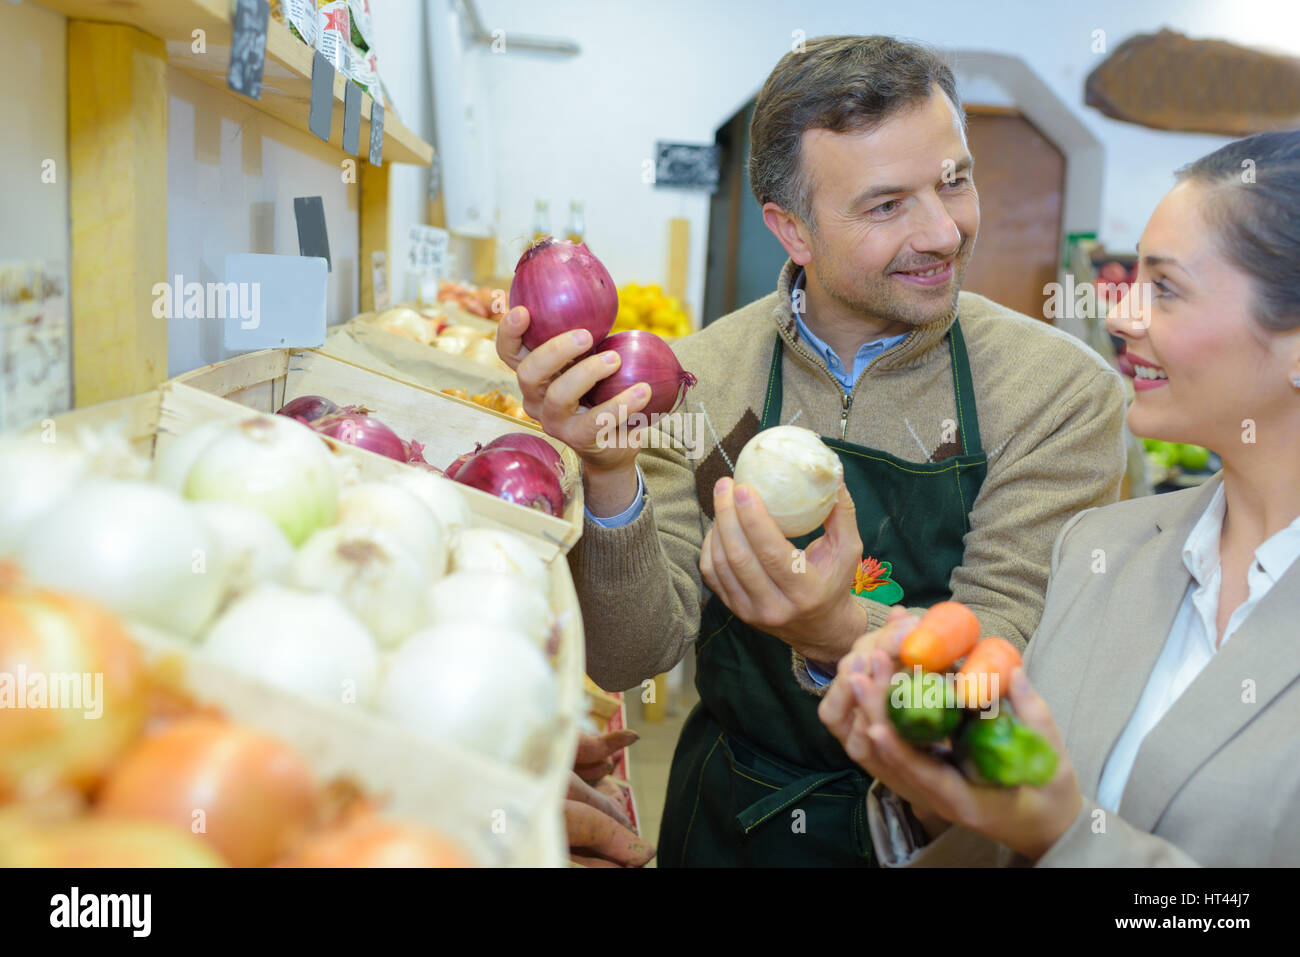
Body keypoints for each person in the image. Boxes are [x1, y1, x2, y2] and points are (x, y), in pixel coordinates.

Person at [497, 35, 1127, 867]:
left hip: (940, 834)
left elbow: (1003, 662)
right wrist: (608, 471)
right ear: (791, 228)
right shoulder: (699, 376)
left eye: (954, 180)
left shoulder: (1058, 393)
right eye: (886, 205)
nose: (943, 230)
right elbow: (628, 655)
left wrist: (838, 628)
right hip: (730, 818)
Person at [819, 129, 1300, 867]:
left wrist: (1063, 834)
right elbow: (1011, 823)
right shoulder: (1102, 548)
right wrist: (934, 791)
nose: (1119, 316)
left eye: (1165, 288)